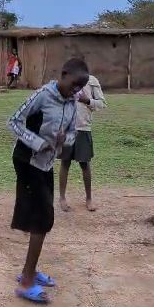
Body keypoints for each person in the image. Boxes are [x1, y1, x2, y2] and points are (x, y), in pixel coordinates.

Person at [7, 58, 88, 303]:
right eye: (73, 84)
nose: (75, 91)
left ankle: (29, 271)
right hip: (27, 161)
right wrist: (38, 142)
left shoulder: (72, 102)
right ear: (63, 74)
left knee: (40, 219)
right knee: (42, 221)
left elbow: (73, 133)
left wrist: (64, 141)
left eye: (79, 88)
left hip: (46, 164)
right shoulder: (42, 95)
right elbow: (13, 121)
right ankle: (26, 281)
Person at [59, 73, 107, 212]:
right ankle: (62, 198)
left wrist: (87, 101)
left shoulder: (92, 81)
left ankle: (89, 199)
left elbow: (102, 104)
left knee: (85, 164)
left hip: (84, 128)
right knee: (65, 162)